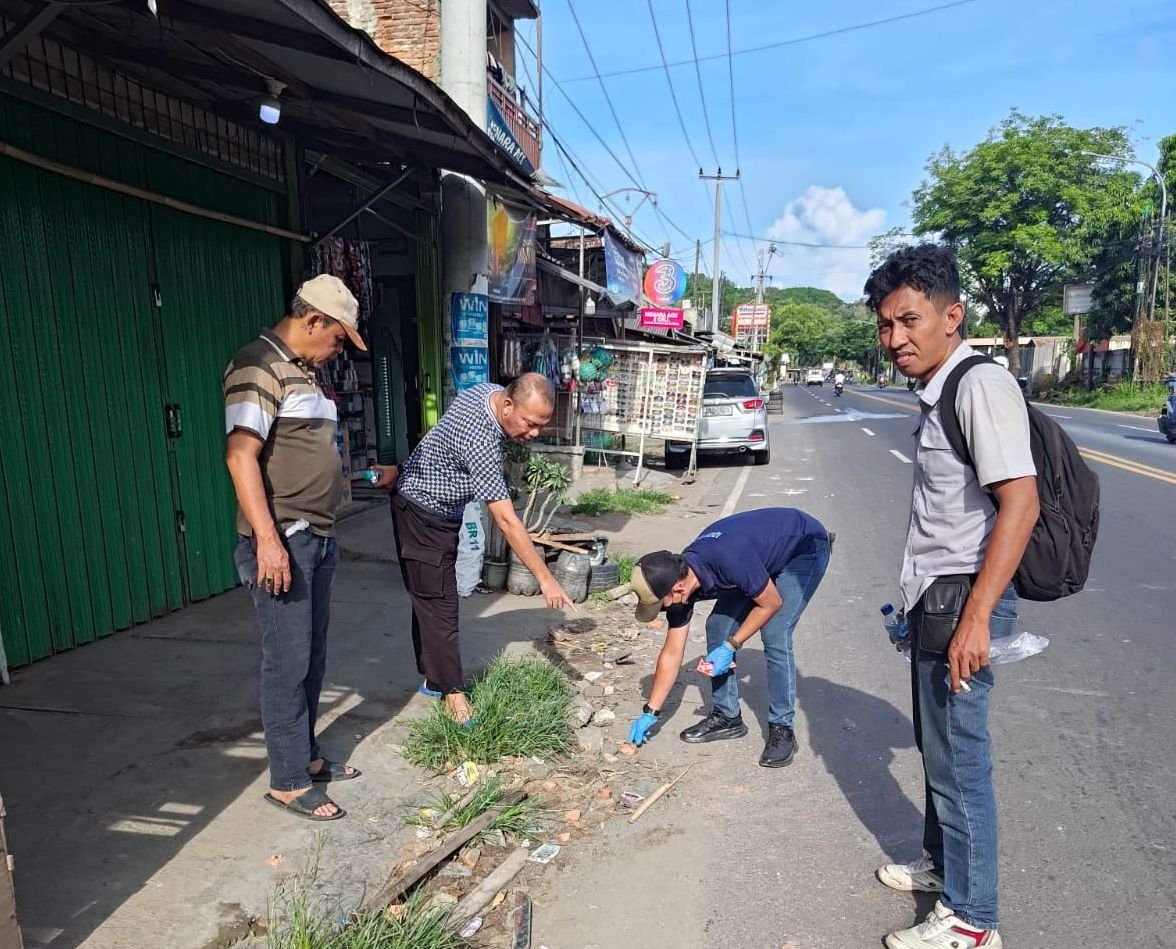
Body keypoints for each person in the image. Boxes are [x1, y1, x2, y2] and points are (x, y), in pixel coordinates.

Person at [865, 244, 1038, 949]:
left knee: (962, 759)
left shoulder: (977, 386)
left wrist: (974, 622)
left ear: (952, 315)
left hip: (967, 603)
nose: (895, 338)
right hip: (936, 602)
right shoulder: (937, 390)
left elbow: (1019, 505)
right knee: (938, 748)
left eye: (909, 320)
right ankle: (942, 865)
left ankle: (974, 920)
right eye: (885, 324)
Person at [225, 275, 385, 822]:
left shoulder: (305, 374)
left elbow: (309, 456)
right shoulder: (258, 366)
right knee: (286, 662)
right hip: (284, 541)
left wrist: (362, 474)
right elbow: (240, 456)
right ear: (313, 319)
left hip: (316, 537)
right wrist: (268, 543)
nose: (338, 349)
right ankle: (288, 780)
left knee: (311, 659)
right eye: (338, 338)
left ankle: (307, 757)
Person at [390, 373, 576, 724]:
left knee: (428, 596)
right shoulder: (482, 440)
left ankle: (433, 677)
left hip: (436, 505)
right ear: (508, 405)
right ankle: (452, 693)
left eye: (541, 426)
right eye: (530, 423)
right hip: (421, 509)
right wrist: (545, 577)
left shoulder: (487, 392)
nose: (534, 433)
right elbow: (506, 521)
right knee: (440, 604)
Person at [625, 508, 832, 768]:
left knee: (775, 632)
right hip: (755, 558)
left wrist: (732, 645)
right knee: (717, 627)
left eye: (660, 604)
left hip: (804, 548)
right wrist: (650, 712)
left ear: (677, 588)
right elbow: (672, 652)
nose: (662, 610)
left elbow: (771, 603)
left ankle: (782, 728)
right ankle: (727, 716)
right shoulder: (682, 582)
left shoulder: (729, 560)